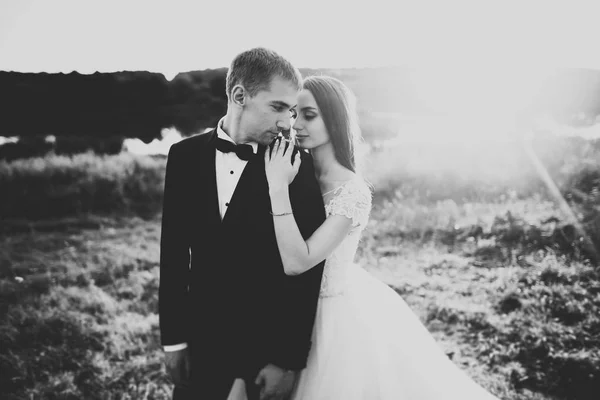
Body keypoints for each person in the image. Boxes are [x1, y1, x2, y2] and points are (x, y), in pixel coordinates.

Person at [264, 75, 502, 399]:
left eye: (309, 115)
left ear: (334, 119)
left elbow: (298, 261)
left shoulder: (352, 192)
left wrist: (276, 187)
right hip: (286, 309)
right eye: (294, 114)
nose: (297, 124)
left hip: (332, 316)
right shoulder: (295, 169)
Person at [158, 48, 326, 400]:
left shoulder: (295, 163)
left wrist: (287, 359)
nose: (287, 123)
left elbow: (308, 271)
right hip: (202, 339)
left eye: (292, 111)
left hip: (265, 344)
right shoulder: (184, 156)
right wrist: (174, 340)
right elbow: (173, 255)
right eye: (278, 107)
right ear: (239, 96)